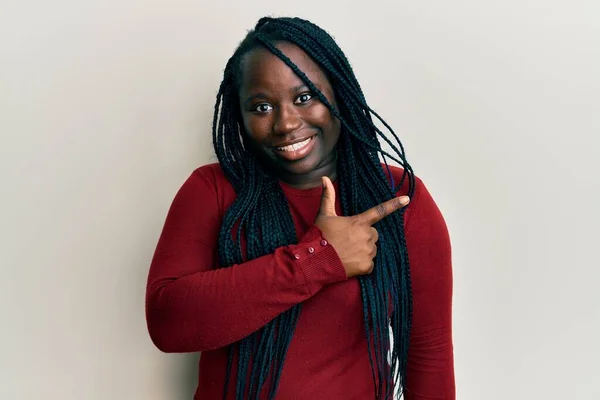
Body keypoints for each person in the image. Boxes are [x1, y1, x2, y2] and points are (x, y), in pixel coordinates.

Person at [145, 16, 454, 400]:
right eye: (260, 106)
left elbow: (428, 351)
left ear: (339, 95)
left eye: (304, 97)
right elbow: (167, 323)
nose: (285, 123)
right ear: (239, 117)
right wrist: (317, 259)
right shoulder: (213, 191)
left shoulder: (399, 199)